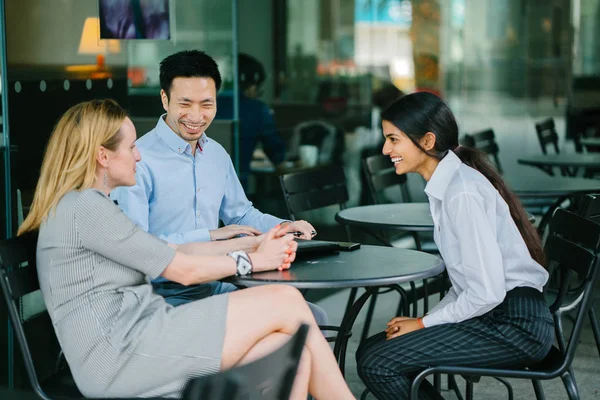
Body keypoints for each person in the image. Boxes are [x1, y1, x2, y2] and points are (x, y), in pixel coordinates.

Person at [17, 99, 354, 400]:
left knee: (288, 352)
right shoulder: (84, 208)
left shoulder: (88, 206)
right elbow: (183, 270)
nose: (138, 155)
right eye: (132, 146)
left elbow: (171, 251)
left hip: (145, 333)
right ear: (103, 155)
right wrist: (253, 260)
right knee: (285, 301)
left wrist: (252, 242)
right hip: (120, 356)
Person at [355, 92, 554, 400]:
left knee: (378, 362)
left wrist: (423, 323)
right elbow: (465, 286)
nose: (385, 149)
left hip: (516, 327)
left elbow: (486, 292)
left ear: (427, 140)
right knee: (373, 348)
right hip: (498, 313)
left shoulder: (461, 193)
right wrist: (423, 323)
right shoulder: (449, 186)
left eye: (393, 139)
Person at [111, 50, 325, 325]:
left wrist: (284, 226)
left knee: (312, 316)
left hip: (216, 284)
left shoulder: (216, 154)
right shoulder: (137, 160)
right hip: (162, 297)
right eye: (185, 104)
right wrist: (211, 235)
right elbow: (141, 251)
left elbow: (241, 215)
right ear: (165, 99)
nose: (196, 116)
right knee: (289, 324)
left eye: (206, 104)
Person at [215, 53, 287, 190]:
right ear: (253, 85)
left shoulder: (205, 104)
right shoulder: (257, 109)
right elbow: (275, 151)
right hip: (236, 189)